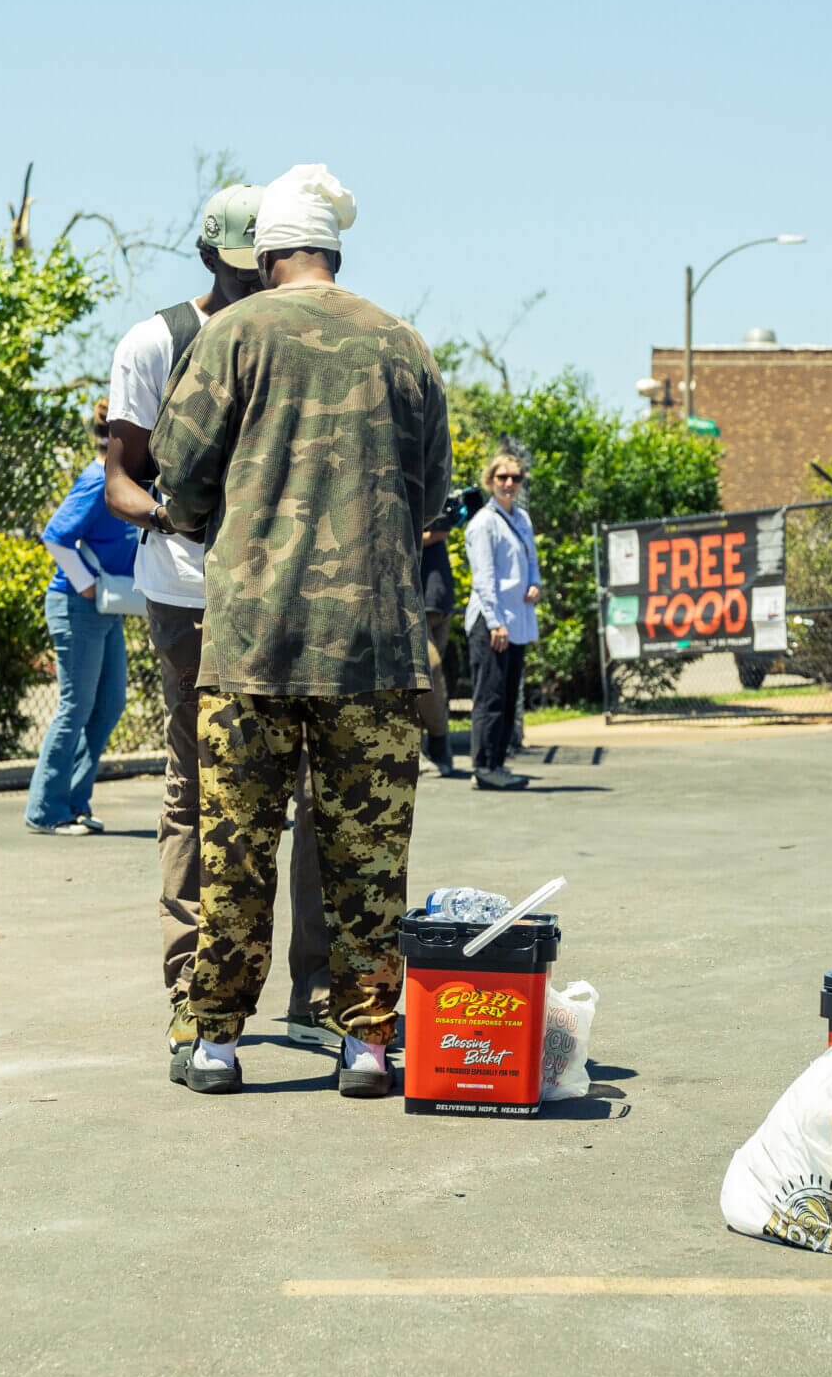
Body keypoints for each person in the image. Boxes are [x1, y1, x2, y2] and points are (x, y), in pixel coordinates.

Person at [151, 162, 451, 1101]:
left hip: (251, 646)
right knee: (367, 856)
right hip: (374, 647)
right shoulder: (402, 344)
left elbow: (180, 474)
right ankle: (366, 1044)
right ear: (332, 249)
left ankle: (214, 1044)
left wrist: (224, 518)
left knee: (235, 846)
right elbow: (429, 490)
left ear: (269, 252)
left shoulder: (234, 335)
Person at [102, 183, 333, 1083]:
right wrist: (177, 517)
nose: (260, 284)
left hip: (290, 598)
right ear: (210, 261)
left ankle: (317, 996)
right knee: (199, 791)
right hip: (192, 597)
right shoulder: (156, 341)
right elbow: (120, 477)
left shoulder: (300, 336)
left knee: (319, 789)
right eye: (244, 271)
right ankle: (190, 994)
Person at [24, 400, 136, 837]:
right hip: (77, 606)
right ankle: (45, 811)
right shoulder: (96, 480)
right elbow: (55, 535)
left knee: (109, 704)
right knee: (76, 707)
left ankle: (72, 801)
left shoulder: (122, 479)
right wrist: (88, 585)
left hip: (106, 610)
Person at [463, 446, 541, 791]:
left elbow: (532, 560)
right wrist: (495, 622)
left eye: (515, 478)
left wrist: (535, 584)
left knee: (509, 696)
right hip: (491, 622)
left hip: (517, 619)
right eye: (502, 477)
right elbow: (484, 578)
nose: (509, 483)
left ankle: (498, 763)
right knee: (490, 696)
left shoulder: (522, 519)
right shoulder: (484, 523)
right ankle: (483, 766)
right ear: (490, 481)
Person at [418, 515, 457, 775]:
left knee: (435, 681)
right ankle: (434, 741)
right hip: (410, 598)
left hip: (439, 598)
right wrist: (430, 536)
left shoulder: (435, 486)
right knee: (427, 669)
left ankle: (435, 746)